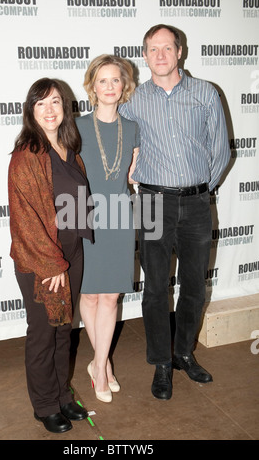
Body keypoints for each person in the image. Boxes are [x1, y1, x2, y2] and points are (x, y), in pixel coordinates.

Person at [119, 24, 230, 400]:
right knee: (154, 289)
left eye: (167, 47)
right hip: (152, 201)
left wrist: (201, 190)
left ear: (179, 51)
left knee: (195, 286)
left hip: (198, 203)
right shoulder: (132, 99)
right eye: (153, 49)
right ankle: (161, 364)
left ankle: (183, 353)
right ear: (145, 55)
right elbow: (111, 134)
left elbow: (221, 151)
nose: (161, 55)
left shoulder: (205, 94)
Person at [8, 78, 93, 433]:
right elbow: (25, 217)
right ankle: (44, 405)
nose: (49, 110)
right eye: (40, 103)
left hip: (71, 253)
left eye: (55, 102)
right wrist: (51, 263)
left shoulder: (69, 149)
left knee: (63, 331)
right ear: (31, 111)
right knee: (43, 334)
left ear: (65, 108)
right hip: (41, 261)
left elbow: (78, 201)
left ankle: (62, 395)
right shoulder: (27, 154)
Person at [76, 55, 139, 402]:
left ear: (124, 86)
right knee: (89, 295)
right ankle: (104, 364)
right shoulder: (77, 126)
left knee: (111, 296)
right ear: (92, 86)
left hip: (118, 215)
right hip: (82, 214)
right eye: (103, 81)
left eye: (116, 80)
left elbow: (133, 173)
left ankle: (99, 367)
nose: (110, 87)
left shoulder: (132, 128)